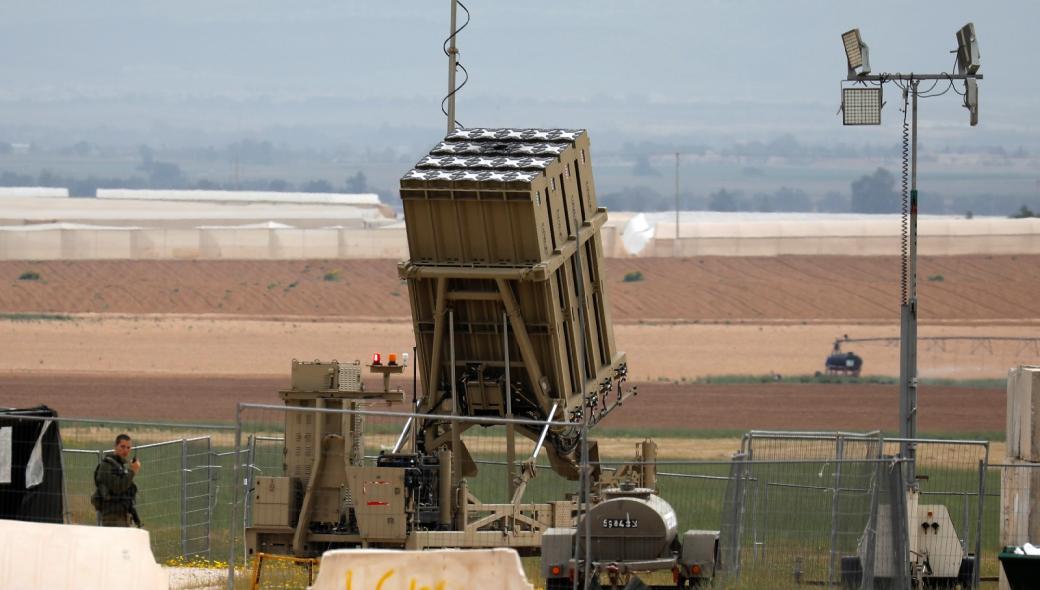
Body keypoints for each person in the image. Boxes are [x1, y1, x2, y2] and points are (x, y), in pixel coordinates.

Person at [92, 433, 141, 527]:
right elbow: (118, 487)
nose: (125, 450)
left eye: (128, 448)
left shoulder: (121, 467)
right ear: (115, 446)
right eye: (122, 446)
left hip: (123, 515)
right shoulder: (106, 465)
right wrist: (132, 471)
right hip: (112, 516)